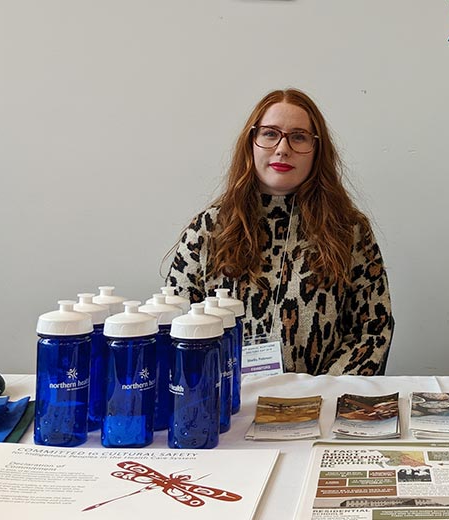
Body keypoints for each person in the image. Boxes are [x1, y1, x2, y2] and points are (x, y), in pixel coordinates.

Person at [166, 88, 393, 375]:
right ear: (252, 141)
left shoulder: (348, 230)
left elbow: (372, 331)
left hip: (320, 405)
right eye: (270, 134)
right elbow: (175, 330)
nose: (282, 148)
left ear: (316, 150)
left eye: (298, 136)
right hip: (226, 403)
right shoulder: (208, 230)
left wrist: (323, 392)